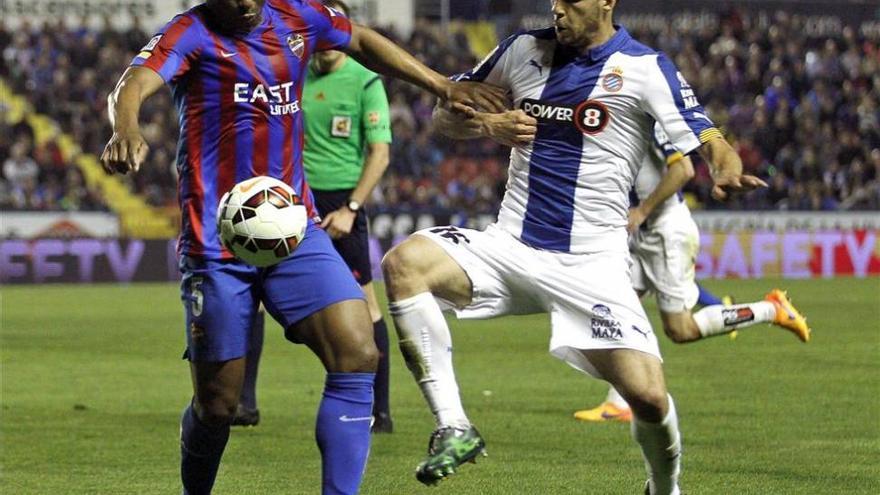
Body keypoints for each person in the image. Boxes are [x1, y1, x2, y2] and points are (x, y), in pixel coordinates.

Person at [100, 1, 505, 494]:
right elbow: (135, 80)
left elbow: (360, 39)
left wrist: (443, 84)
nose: (247, 4)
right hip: (218, 240)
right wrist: (126, 126)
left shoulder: (297, 15)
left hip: (295, 229)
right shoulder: (191, 31)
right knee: (219, 405)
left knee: (357, 352)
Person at [380, 1, 766, 493]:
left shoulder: (645, 69)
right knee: (404, 263)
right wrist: (485, 126)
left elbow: (708, 137)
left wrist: (726, 167)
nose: (557, 10)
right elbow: (447, 114)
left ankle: (664, 489)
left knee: (648, 398)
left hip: (593, 263)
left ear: (606, 2)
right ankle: (454, 425)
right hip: (509, 246)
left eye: (569, 1)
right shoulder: (522, 50)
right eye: (553, 1)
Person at [574, 124, 811, 423]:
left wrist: (643, 210)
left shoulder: (647, 119)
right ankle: (619, 402)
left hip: (667, 233)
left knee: (680, 330)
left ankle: (771, 310)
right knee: (616, 311)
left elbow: (683, 170)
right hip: (642, 236)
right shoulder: (617, 122)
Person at [233, 0, 396, 434]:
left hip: (342, 201)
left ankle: (379, 410)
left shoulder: (365, 81)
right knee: (251, 298)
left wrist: (352, 208)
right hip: (286, 199)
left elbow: (379, 152)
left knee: (366, 304)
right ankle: (243, 403)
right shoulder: (294, 70)